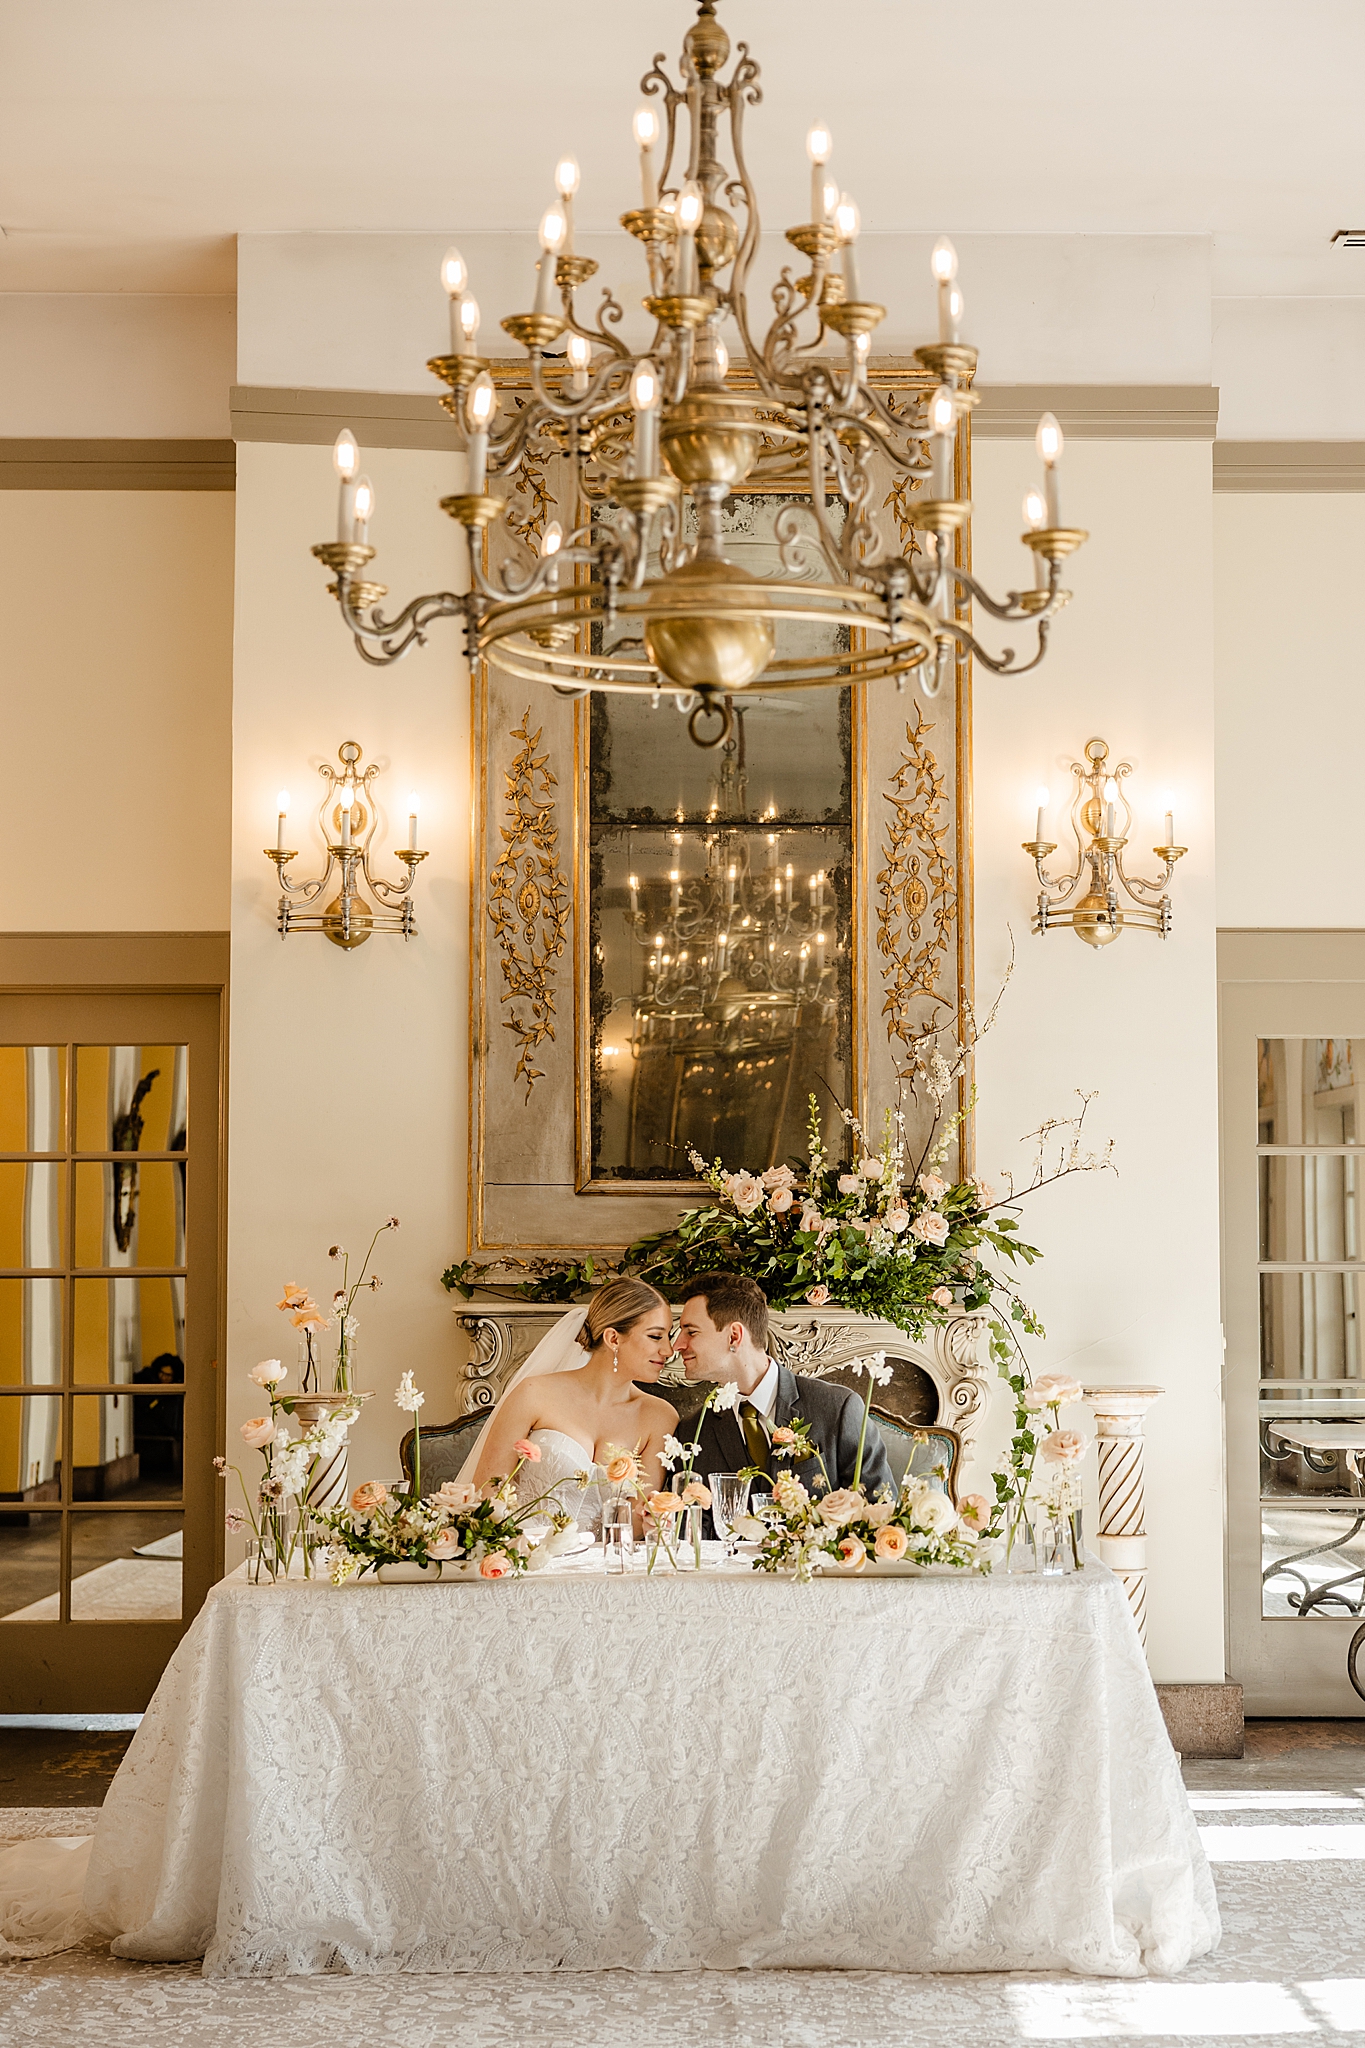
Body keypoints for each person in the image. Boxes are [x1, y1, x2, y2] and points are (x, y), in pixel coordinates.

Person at [464, 1279, 678, 1528]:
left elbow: (635, 1523)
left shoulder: (660, 1417)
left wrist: (653, 1516)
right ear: (613, 1338)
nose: (669, 1350)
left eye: (668, 1337)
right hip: (525, 1555)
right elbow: (487, 1495)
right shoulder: (533, 1394)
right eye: (656, 1337)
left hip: (608, 1562)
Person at [673, 1271, 894, 1502]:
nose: (678, 1344)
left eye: (691, 1332)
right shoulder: (692, 1432)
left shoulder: (838, 1409)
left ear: (734, 1336)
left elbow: (880, 1507)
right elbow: (693, 1527)